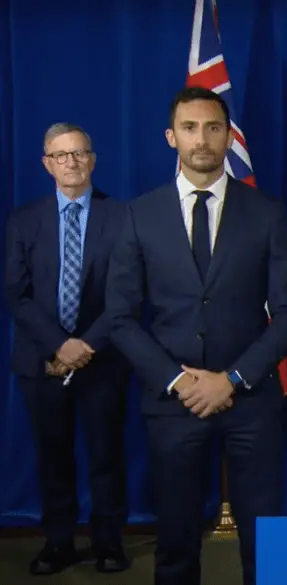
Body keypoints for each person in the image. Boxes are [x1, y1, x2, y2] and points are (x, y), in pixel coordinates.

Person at [105, 87, 287, 585]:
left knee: (264, 540)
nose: (202, 139)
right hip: (173, 403)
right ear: (171, 137)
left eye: (213, 128)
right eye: (190, 128)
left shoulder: (266, 212)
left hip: (251, 401)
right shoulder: (139, 215)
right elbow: (120, 318)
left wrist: (232, 379)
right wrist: (178, 381)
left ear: (227, 135)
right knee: (174, 540)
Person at [3, 123, 131, 575]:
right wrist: (59, 345)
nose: (71, 163)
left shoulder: (121, 218)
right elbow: (15, 294)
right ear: (47, 164)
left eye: (78, 154)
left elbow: (126, 295)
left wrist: (85, 346)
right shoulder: (24, 220)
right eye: (60, 156)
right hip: (42, 361)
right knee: (52, 458)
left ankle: (108, 543)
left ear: (92, 160)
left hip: (104, 360)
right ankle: (57, 543)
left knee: (106, 458)